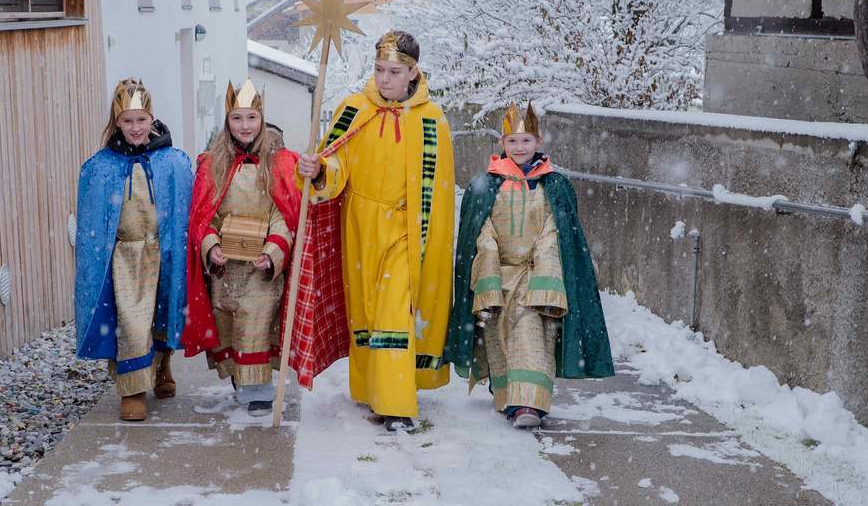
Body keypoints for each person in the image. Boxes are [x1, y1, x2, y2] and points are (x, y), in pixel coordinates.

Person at [296, 31, 455, 431]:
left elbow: (438, 189)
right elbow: (337, 167)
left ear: (413, 72)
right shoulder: (354, 110)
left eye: (394, 71)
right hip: (362, 227)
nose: (385, 79)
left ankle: (397, 403)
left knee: (394, 312)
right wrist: (318, 172)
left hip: (407, 229)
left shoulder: (431, 119)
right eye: (380, 70)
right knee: (367, 311)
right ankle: (375, 388)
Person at [445, 103, 614, 428]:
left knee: (534, 337)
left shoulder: (554, 185)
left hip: (538, 278)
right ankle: (508, 397)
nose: (519, 147)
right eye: (512, 141)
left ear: (538, 141)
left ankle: (529, 406)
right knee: (498, 339)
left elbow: (556, 232)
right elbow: (482, 231)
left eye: (526, 140)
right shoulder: (486, 185)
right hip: (498, 276)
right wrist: (489, 269)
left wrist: (545, 274)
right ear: (502, 144)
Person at [74, 78, 193, 421]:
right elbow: (91, 227)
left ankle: (163, 367)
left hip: (164, 250)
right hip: (125, 256)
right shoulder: (100, 168)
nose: (135, 128)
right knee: (131, 323)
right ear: (116, 123)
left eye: (141, 120)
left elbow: (185, 210)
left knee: (164, 311)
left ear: (152, 119)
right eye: (128, 121)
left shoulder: (173, 162)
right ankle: (133, 389)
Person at [182, 79, 300, 416]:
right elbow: (206, 216)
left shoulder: (279, 162)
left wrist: (274, 250)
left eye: (251, 118)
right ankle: (241, 375)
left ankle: (257, 390)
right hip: (228, 266)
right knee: (230, 323)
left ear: (262, 120)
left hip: (262, 267)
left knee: (257, 323)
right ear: (227, 122)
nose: (245, 126)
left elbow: (283, 215)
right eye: (237, 118)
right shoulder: (212, 163)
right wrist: (211, 246)